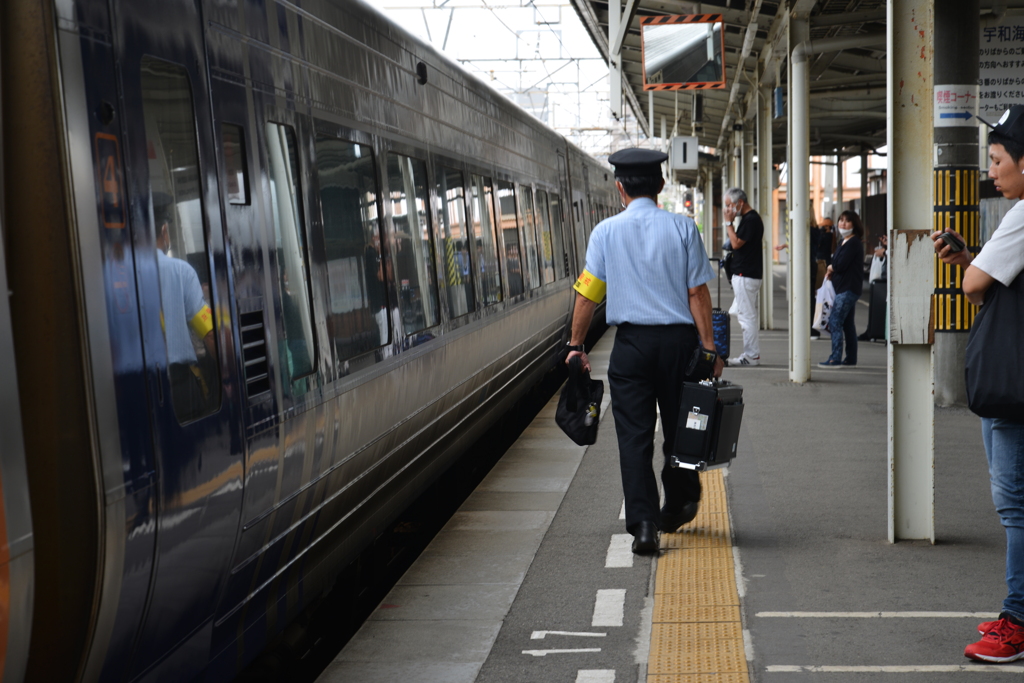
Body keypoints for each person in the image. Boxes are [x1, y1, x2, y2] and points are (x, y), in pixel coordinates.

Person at [565, 148, 723, 555]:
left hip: (631, 347)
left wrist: (576, 345)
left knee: (634, 438)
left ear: (620, 188)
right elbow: (697, 293)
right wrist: (710, 348)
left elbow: (588, 295)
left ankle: (644, 526)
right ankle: (682, 499)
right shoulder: (683, 228)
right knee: (682, 428)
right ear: (662, 186)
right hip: (679, 345)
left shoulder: (605, 232)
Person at [935, 104, 1024, 663]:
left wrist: (970, 264)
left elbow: (973, 286)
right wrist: (974, 257)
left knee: (1014, 504)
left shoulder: (1021, 216)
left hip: (1012, 385)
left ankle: (1016, 620)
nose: (990, 172)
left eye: (996, 160)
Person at [153, 194, 217, 420]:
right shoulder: (182, 272)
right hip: (181, 389)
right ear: (164, 231)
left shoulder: (119, 277)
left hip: (141, 392)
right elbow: (209, 334)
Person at [723, 188, 763, 366]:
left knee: (747, 317)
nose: (728, 210)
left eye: (729, 205)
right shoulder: (749, 219)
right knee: (743, 314)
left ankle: (751, 356)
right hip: (744, 274)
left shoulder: (751, 220)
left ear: (740, 203)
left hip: (746, 275)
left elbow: (736, 243)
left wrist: (728, 224)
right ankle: (750, 354)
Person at [819, 210, 864, 368]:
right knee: (847, 324)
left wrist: (831, 267)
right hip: (844, 287)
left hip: (847, 289)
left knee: (835, 321)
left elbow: (840, 264)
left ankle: (835, 357)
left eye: (847, 221)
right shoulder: (843, 242)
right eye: (841, 220)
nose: (843, 224)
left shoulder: (853, 243)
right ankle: (851, 358)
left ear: (854, 224)